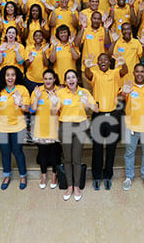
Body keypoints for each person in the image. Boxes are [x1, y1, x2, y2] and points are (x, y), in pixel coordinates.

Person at [84, 53, 127, 190]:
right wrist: (86, 67)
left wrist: (123, 62)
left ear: (109, 62)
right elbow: (88, 75)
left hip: (113, 115)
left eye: (105, 60)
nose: (103, 61)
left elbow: (124, 71)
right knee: (97, 147)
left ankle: (108, 175)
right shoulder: (95, 74)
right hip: (98, 115)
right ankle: (96, 176)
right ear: (98, 63)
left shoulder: (114, 73)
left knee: (111, 148)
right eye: (100, 60)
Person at [54, 69, 98, 201]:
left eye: (73, 77)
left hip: (80, 127)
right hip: (65, 127)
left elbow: (96, 108)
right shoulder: (60, 93)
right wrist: (53, 102)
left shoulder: (84, 92)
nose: (71, 80)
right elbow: (53, 112)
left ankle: (77, 186)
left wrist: (88, 103)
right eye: (68, 78)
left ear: (77, 79)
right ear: (65, 81)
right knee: (67, 159)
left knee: (77, 158)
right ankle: (69, 186)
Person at [0, 66, 30, 190]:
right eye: (8, 75)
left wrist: (20, 103)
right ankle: (7, 175)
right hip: (1, 127)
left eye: (12, 75)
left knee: (18, 151)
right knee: (5, 152)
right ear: (4, 76)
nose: (10, 77)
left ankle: (23, 175)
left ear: (16, 76)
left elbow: (27, 109)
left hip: (18, 126)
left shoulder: (22, 89)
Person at [30, 69, 62, 189]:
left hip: (55, 128)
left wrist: (55, 103)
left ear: (54, 79)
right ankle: (43, 176)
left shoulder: (60, 91)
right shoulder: (37, 91)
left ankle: (54, 175)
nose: (48, 81)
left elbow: (63, 110)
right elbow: (32, 110)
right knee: (42, 153)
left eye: (50, 78)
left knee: (55, 154)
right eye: (45, 79)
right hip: (40, 127)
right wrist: (37, 98)